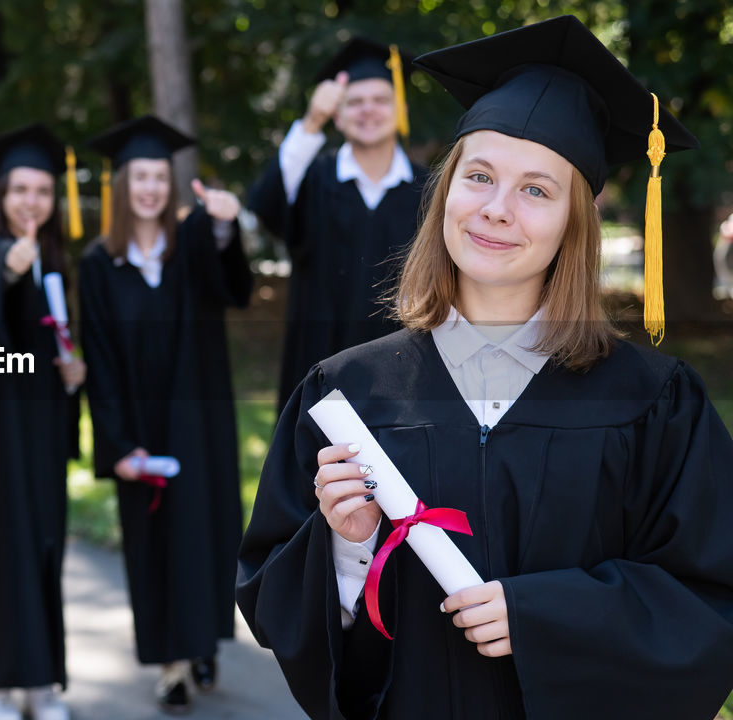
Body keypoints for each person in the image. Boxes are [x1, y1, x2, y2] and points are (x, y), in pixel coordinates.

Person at [237, 16, 733, 720]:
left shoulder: (656, 404)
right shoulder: (347, 394)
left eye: (536, 189)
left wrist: (545, 619)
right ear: (445, 194)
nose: (496, 210)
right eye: (478, 176)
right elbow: (280, 607)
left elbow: (708, 602)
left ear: (576, 220)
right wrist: (348, 551)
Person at [80, 115, 251, 714]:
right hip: (140, 427)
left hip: (198, 421)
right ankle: (171, 665)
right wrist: (118, 443)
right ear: (122, 186)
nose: (150, 187)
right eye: (139, 177)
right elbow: (97, 358)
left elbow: (233, 288)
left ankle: (202, 643)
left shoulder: (193, 245)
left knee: (202, 533)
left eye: (159, 176)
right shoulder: (100, 264)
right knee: (152, 541)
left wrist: (226, 227)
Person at [0, 122, 86, 720]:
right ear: (0, 196)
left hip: (40, 440)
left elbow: (48, 353)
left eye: (41, 191)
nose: (30, 201)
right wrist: (7, 271)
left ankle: (38, 683)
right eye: (19, 190)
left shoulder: (56, 266)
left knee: (42, 552)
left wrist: (71, 373)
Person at [247, 38, 427, 410]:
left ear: (401, 109)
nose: (368, 111)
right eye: (354, 102)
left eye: (380, 100)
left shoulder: (429, 192)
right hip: (317, 365)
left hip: (404, 373)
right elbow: (265, 204)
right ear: (338, 116)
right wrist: (311, 122)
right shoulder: (312, 179)